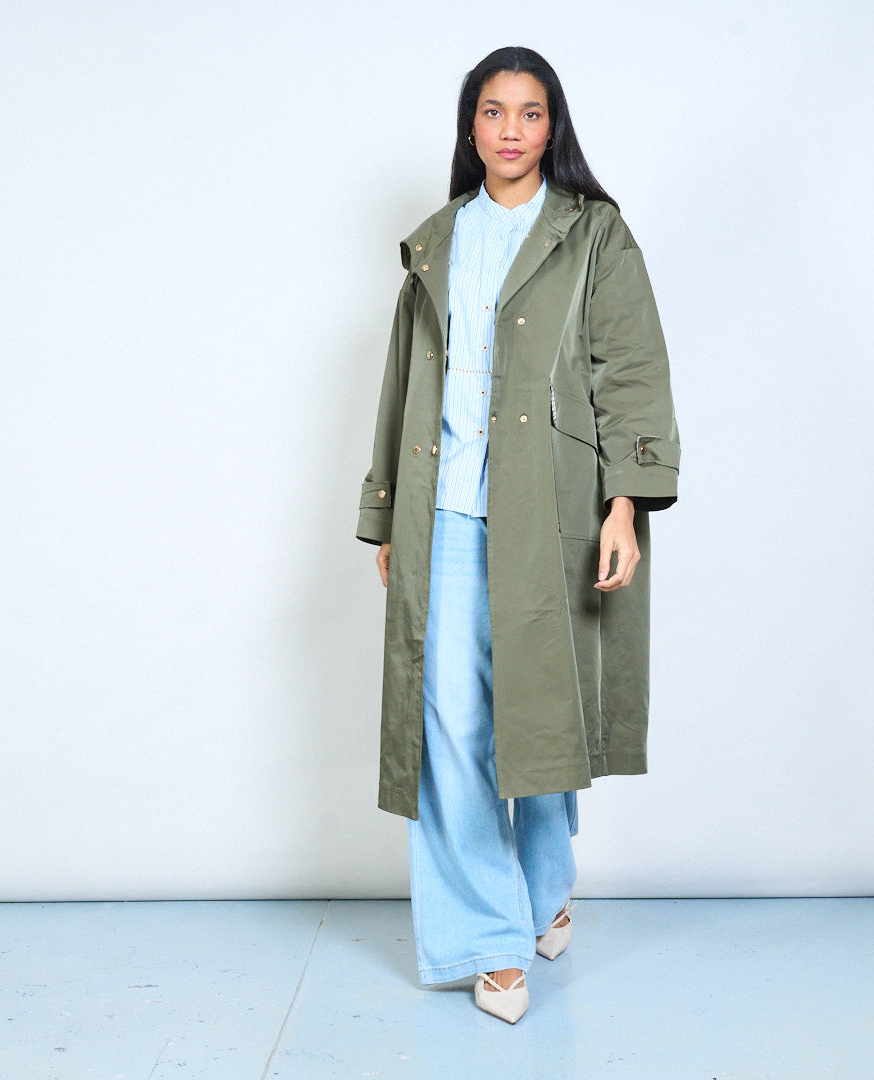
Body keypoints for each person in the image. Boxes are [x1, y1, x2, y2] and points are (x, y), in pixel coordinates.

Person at [356, 45, 679, 1024]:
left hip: (552, 512)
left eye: (529, 113)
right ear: (471, 126)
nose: (510, 129)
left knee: (538, 715)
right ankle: (492, 941)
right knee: (449, 725)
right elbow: (404, 381)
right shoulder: (438, 242)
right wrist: (388, 514)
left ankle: (543, 887)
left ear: (552, 127)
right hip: (446, 512)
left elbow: (631, 369)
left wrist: (626, 505)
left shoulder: (594, 234)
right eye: (493, 111)